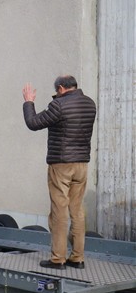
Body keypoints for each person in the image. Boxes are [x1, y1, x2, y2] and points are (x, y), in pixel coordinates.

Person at [22, 75, 96, 270]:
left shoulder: (59, 105)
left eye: (57, 91)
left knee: (59, 211)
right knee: (77, 211)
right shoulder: (90, 103)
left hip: (61, 164)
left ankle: (57, 259)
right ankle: (77, 258)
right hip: (82, 164)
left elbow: (33, 123)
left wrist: (29, 102)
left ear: (61, 88)